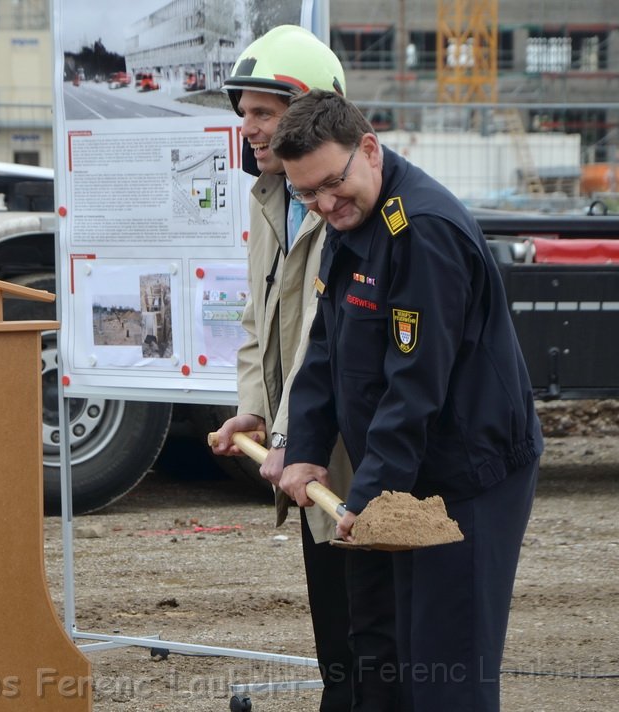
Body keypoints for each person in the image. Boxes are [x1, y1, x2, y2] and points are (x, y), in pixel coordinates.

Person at [272, 89, 542, 712]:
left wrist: (369, 498)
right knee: (400, 661)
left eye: (333, 184)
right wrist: (308, 450)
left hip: (468, 476)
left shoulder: (422, 232)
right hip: (409, 474)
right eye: (306, 193)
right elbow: (325, 350)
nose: (324, 203)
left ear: (369, 149)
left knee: (448, 671)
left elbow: (415, 384)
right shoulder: (349, 220)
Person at [210, 26, 399, 711]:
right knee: (336, 624)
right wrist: (254, 408)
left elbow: (329, 344)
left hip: (348, 450)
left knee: (371, 624)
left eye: (265, 112)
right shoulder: (270, 201)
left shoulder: (348, 209)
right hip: (308, 447)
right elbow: (263, 322)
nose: (250, 128)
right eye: (245, 115)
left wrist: (292, 438)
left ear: (314, 110)